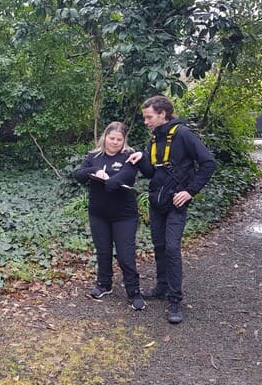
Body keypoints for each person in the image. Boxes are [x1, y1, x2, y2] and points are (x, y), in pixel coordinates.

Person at [127, 95, 216, 324]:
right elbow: (152, 173)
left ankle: (175, 300)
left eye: (149, 117)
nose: (146, 121)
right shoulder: (154, 139)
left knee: (172, 248)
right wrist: (140, 159)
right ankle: (161, 287)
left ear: (163, 114)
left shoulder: (183, 134)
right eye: (145, 117)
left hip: (177, 203)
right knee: (159, 246)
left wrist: (190, 191)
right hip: (157, 202)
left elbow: (208, 163)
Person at [74, 121, 145, 311]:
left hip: (124, 215)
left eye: (119, 139)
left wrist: (110, 181)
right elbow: (79, 175)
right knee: (103, 251)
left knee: (125, 255)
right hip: (98, 214)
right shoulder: (93, 156)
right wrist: (94, 171)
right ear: (104, 137)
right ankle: (104, 284)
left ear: (124, 141)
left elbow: (128, 176)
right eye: (111, 138)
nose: (115, 142)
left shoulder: (129, 156)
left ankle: (134, 291)